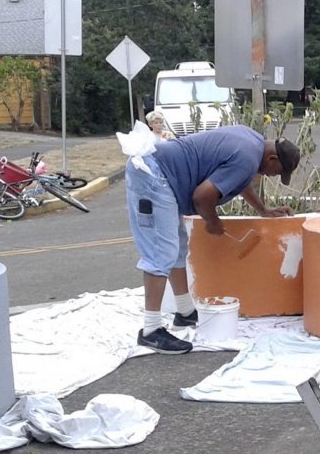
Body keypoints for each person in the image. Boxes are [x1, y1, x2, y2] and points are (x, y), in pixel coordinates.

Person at [125, 125, 300, 353]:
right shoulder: (248, 158)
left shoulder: (253, 143)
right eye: (277, 171)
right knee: (160, 252)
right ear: (272, 157)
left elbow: (238, 180)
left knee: (176, 248)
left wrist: (263, 210)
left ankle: (185, 312)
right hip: (153, 174)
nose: (273, 175)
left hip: (163, 173)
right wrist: (212, 221)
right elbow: (202, 196)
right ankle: (150, 330)